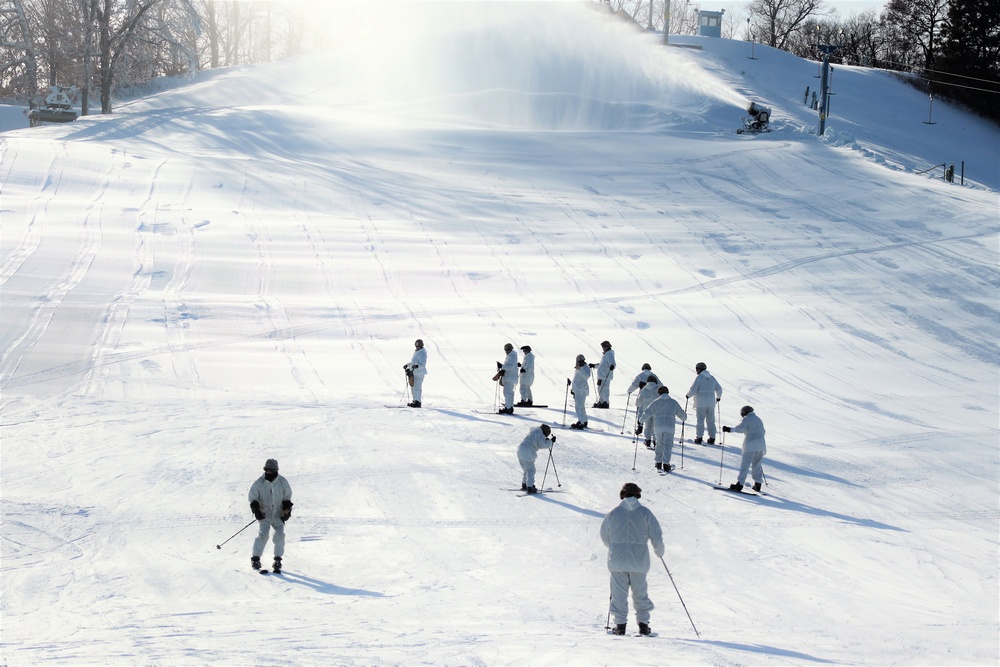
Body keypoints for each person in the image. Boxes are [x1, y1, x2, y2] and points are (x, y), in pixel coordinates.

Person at [600, 482, 664, 636]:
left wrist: (614, 547)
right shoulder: (645, 513)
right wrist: (658, 550)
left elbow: (604, 535)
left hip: (617, 560)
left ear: (623, 495)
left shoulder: (613, 513)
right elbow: (656, 534)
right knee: (640, 593)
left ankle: (620, 625)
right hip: (639, 561)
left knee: (619, 594)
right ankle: (643, 624)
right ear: (638, 494)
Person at [248, 458, 293, 573]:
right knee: (263, 535)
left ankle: (277, 559)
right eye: (266, 469)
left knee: (280, 535)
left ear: (276, 470)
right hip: (265, 514)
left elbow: (287, 496)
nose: (268, 472)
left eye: (271, 470)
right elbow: (253, 497)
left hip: (278, 514)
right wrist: (256, 509)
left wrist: (287, 509)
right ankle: (255, 558)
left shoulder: (282, 482)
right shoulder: (259, 482)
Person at [643, 386, 688, 472]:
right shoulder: (673, 402)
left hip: (658, 426)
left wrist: (641, 420)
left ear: (659, 393)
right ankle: (666, 464)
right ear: (667, 392)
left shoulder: (656, 402)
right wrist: (684, 417)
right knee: (667, 445)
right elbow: (682, 416)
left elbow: (647, 412)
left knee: (659, 443)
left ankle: (658, 462)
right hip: (669, 426)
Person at [723, 406, 767, 492]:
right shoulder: (758, 419)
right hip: (761, 445)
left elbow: (740, 429)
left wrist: (729, 429)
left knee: (745, 464)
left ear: (744, 413)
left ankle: (740, 484)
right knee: (757, 465)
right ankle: (758, 484)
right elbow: (764, 432)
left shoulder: (747, 419)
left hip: (750, 444)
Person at [685, 362, 722, 444]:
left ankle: (699, 437)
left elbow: (693, 389)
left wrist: (688, 395)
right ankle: (712, 438)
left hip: (701, 402)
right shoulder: (712, 378)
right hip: (711, 403)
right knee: (711, 420)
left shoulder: (699, 378)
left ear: (699, 369)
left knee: (700, 420)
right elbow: (719, 389)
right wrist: (718, 397)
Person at [517, 423, 555, 494]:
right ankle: (530, 487)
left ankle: (524, 484)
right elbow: (542, 444)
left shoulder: (534, 432)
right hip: (527, 452)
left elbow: (537, 441)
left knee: (526, 470)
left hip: (520, 450)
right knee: (531, 470)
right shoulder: (540, 434)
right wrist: (551, 441)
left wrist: (546, 440)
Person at [592, 340, 616, 409]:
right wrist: (594, 365)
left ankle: (606, 402)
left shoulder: (610, 354)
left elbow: (613, 363)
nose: (603, 348)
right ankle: (601, 401)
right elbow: (602, 365)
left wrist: (612, 366)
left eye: (604, 346)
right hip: (602, 376)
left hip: (606, 375)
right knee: (600, 389)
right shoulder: (606, 355)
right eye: (602, 346)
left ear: (607, 346)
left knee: (605, 389)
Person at [404, 339, 428, 408]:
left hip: (419, 373)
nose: (417, 347)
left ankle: (418, 402)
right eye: (416, 346)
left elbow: (422, 364)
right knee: (413, 387)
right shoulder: (417, 352)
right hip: (414, 372)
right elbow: (413, 362)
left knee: (417, 387)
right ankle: (414, 401)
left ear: (421, 346)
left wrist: (417, 366)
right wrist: (408, 365)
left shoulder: (422, 353)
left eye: (419, 346)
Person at [497, 343, 519, 414]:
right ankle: (509, 407)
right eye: (505, 350)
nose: (506, 351)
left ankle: (508, 408)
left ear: (511, 349)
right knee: (509, 393)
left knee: (507, 393)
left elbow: (510, 367)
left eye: (508, 349)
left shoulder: (512, 356)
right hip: (509, 377)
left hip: (510, 377)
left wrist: (502, 366)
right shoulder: (511, 356)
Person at [570, 354, 591, 429]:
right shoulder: (579, 368)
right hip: (577, 390)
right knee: (579, 406)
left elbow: (586, 377)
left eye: (580, 361)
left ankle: (582, 422)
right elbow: (576, 379)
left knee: (579, 406)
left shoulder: (585, 368)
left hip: (582, 390)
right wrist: (573, 389)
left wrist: (580, 369)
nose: (579, 363)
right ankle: (583, 420)